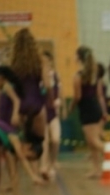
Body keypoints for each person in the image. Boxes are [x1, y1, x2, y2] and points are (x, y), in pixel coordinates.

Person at [0, 65, 44, 195]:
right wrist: (33, 176)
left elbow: (16, 101)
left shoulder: (7, 86)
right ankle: (13, 192)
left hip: (5, 125)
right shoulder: (5, 87)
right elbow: (16, 101)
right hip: (4, 125)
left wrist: (14, 114)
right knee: (11, 161)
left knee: (11, 164)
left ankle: (15, 193)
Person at [69, 46, 107, 179]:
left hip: (86, 109)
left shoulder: (78, 76)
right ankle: (96, 169)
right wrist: (103, 111)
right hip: (95, 107)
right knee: (91, 143)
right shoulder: (94, 75)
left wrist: (71, 107)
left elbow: (78, 96)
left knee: (93, 140)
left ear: (79, 58)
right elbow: (99, 95)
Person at [10, 29, 51, 150]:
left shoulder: (13, 63)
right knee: (39, 141)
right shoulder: (41, 60)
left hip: (20, 106)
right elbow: (47, 85)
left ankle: (26, 169)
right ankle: (42, 167)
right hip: (36, 104)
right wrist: (46, 98)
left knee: (24, 142)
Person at [40, 51, 62, 181]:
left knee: (55, 139)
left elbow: (59, 91)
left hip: (53, 112)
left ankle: (53, 161)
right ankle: (44, 165)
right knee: (45, 141)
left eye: (47, 61)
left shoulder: (55, 76)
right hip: (42, 112)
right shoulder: (37, 76)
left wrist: (59, 101)